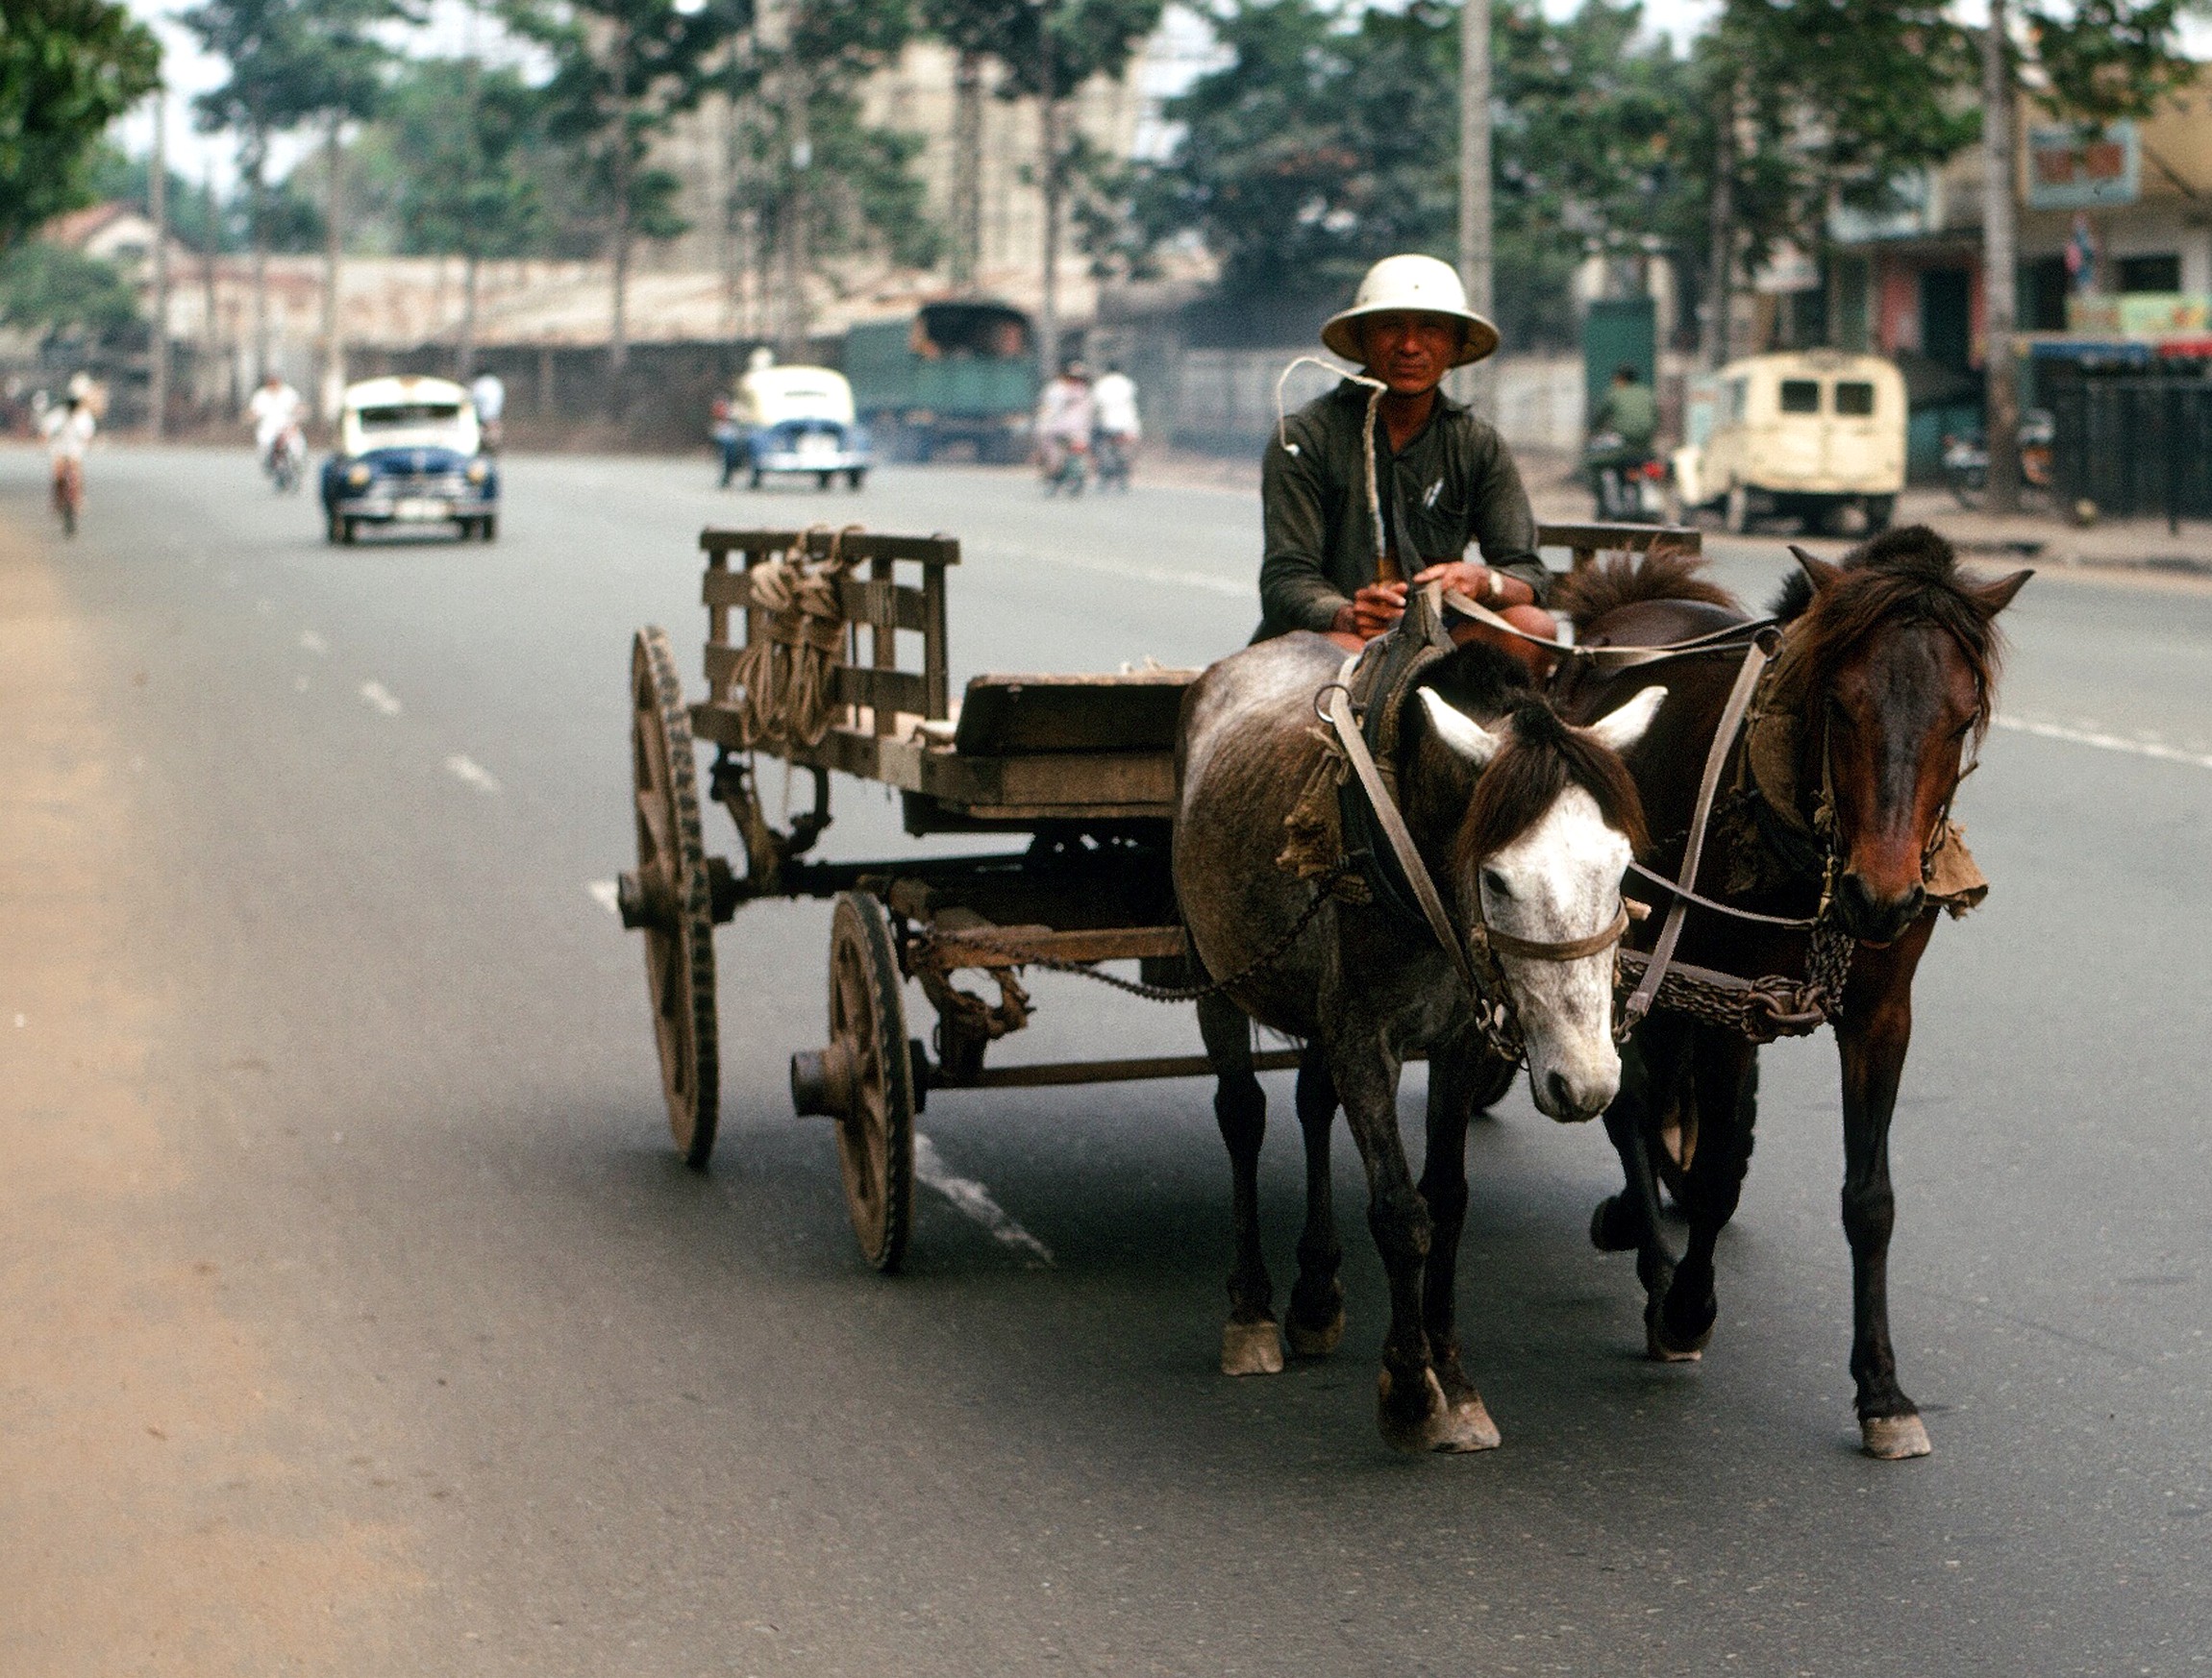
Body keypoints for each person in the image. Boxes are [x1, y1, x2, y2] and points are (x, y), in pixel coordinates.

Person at [1259, 253, 1556, 666]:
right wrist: (1347, 613)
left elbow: (1528, 574)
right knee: (1353, 664)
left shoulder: (1477, 444)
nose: (1410, 346)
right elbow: (1286, 578)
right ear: (1362, 339)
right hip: (1335, 640)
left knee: (1533, 628)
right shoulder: (1306, 437)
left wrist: (1481, 581)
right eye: (1390, 327)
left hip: (1440, 638)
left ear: (1456, 346)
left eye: (1431, 329)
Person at [1035, 359, 1094, 494]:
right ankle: (1054, 477)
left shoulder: (1058, 389)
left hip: (1066, 430)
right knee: (1053, 456)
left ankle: (1058, 477)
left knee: (1068, 456)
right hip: (1058, 429)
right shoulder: (1058, 390)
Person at [41, 390, 96, 535]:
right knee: (58, 477)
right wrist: (45, 444)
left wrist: (87, 444)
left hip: (74, 451)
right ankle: (56, 501)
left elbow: (88, 436)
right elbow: (46, 432)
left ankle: (77, 499)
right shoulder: (57, 416)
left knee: (76, 476)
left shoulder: (84, 417)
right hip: (58, 449)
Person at [1091, 360, 1140, 490]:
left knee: (1102, 448)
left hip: (1107, 423)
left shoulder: (1102, 384)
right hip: (1127, 423)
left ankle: (1104, 476)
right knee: (1124, 451)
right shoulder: (1127, 383)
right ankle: (1122, 477)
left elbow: (1096, 402)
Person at [248, 372, 306, 477]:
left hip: (287, 425)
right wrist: (250, 417)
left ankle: (297, 464)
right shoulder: (261, 395)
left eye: (275, 382)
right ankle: (267, 463)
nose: (273, 384)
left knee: (297, 444)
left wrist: (300, 415)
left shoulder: (289, 393)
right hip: (268, 426)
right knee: (264, 444)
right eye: (271, 382)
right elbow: (254, 412)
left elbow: (298, 407)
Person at [470, 370, 506, 454]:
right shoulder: (496, 382)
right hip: (495, 413)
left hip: (483, 414)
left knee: (484, 433)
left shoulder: (480, 383)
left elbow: (475, 398)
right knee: (493, 433)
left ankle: (485, 448)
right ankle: (493, 448)